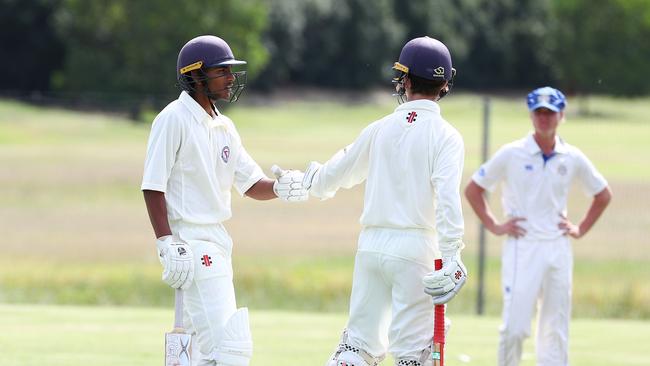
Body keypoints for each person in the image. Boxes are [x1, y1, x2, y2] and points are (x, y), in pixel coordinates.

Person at [141, 35, 307, 366]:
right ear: (196, 75)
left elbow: (250, 183)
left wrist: (280, 187)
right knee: (230, 347)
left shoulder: (224, 126)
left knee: (202, 352)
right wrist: (166, 243)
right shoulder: (173, 118)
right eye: (222, 71)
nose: (231, 78)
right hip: (190, 241)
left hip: (217, 241)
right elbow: (152, 185)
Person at [301, 36, 468, 366]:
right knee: (413, 356)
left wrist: (309, 180)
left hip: (371, 247)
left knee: (356, 350)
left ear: (404, 80)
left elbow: (336, 174)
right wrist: (452, 255)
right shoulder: (446, 135)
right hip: (416, 250)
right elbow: (447, 200)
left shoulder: (380, 127)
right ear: (445, 84)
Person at [464, 87, 612, 366]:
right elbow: (473, 189)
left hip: (558, 247)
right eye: (539, 113)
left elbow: (603, 194)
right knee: (515, 327)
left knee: (555, 330)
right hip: (523, 245)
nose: (544, 118)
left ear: (561, 116)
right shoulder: (512, 153)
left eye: (550, 113)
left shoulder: (572, 156)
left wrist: (579, 228)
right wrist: (495, 225)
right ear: (531, 115)